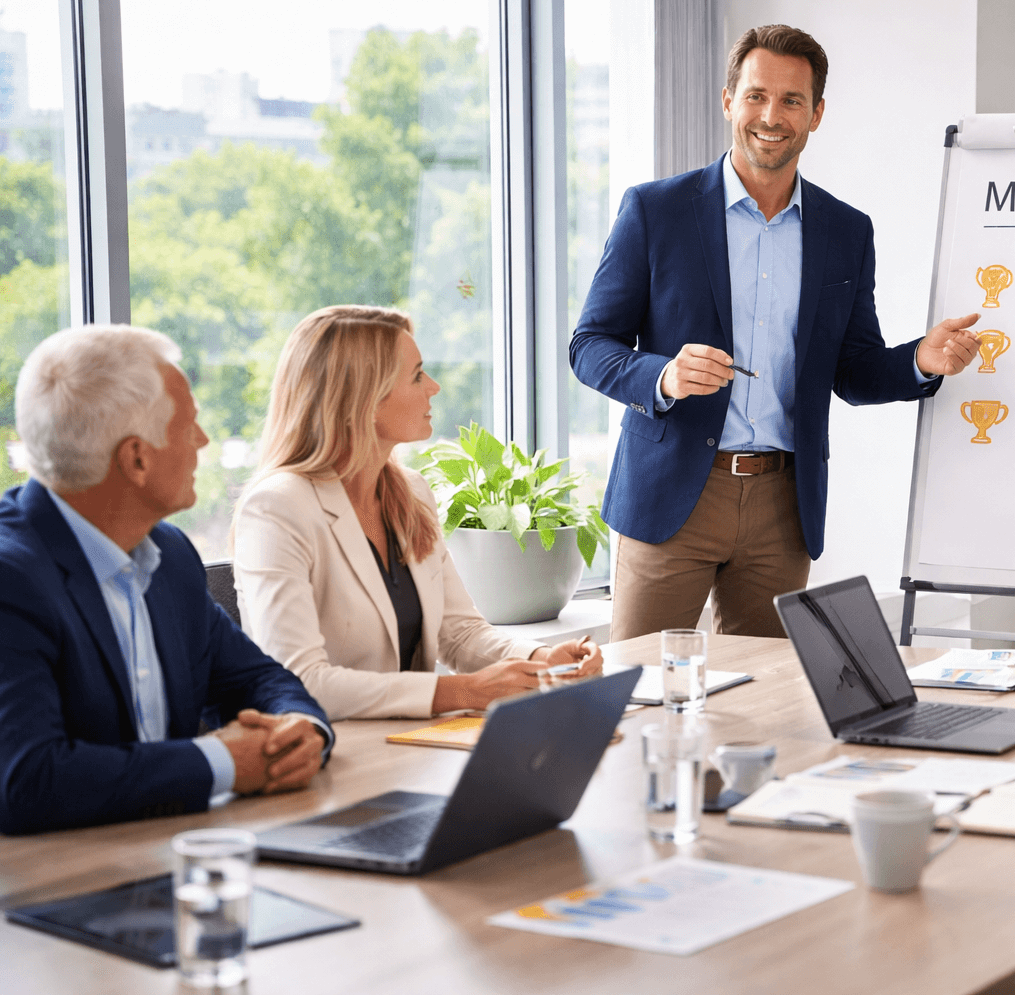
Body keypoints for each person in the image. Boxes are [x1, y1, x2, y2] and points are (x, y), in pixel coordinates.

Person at [569, 24, 981, 641]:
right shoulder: (655, 211)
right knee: (643, 694)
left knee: (769, 702)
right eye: (757, 95)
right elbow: (590, 345)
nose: (772, 115)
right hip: (670, 499)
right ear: (729, 99)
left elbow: (853, 369)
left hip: (782, 509)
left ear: (816, 115)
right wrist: (663, 375)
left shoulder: (846, 231)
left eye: (792, 101)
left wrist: (919, 361)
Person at [0, 326, 331, 835]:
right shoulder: (11, 577)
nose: (201, 441)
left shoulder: (170, 554)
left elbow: (256, 678)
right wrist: (220, 763)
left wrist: (300, 730)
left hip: (169, 852)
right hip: (50, 887)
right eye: (190, 425)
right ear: (137, 457)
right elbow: (27, 780)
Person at [233, 306, 602, 722]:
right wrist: (460, 690)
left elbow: (459, 633)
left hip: (413, 746)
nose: (435, 387)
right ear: (365, 399)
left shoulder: (410, 491)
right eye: (417, 375)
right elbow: (299, 680)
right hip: (335, 755)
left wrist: (539, 659)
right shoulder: (277, 508)